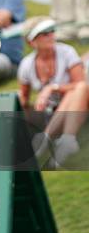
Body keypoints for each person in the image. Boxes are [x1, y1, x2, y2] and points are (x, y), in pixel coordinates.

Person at [18, 16, 88, 168]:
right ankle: (50, 142)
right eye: (44, 33)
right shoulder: (26, 65)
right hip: (50, 114)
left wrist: (52, 88)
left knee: (80, 88)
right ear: (32, 41)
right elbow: (24, 98)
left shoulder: (67, 52)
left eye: (52, 31)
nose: (51, 36)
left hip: (77, 109)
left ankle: (58, 140)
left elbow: (81, 84)